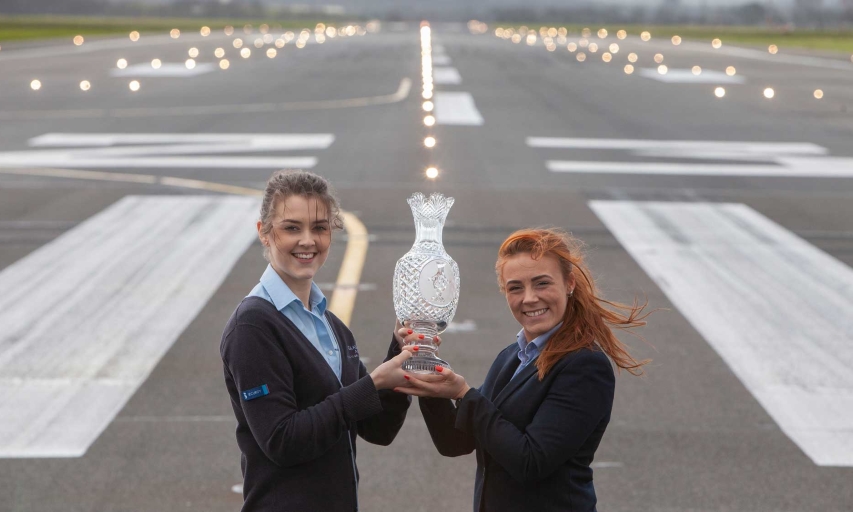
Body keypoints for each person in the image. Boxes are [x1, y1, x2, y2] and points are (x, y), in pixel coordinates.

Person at [396, 228, 651, 512]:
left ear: (569, 283)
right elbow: (455, 443)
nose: (529, 298)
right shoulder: (512, 357)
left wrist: (464, 394)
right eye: (515, 288)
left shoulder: (585, 365)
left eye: (542, 283)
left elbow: (531, 461)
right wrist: (431, 386)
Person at [220, 170, 414, 512]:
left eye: (320, 228)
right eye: (292, 228)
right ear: (264, 232)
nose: (308, 241)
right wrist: (371, 384)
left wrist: (402, 352)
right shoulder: (252, 327)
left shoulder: (331, 325)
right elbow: (282, 441)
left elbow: (378, 428)